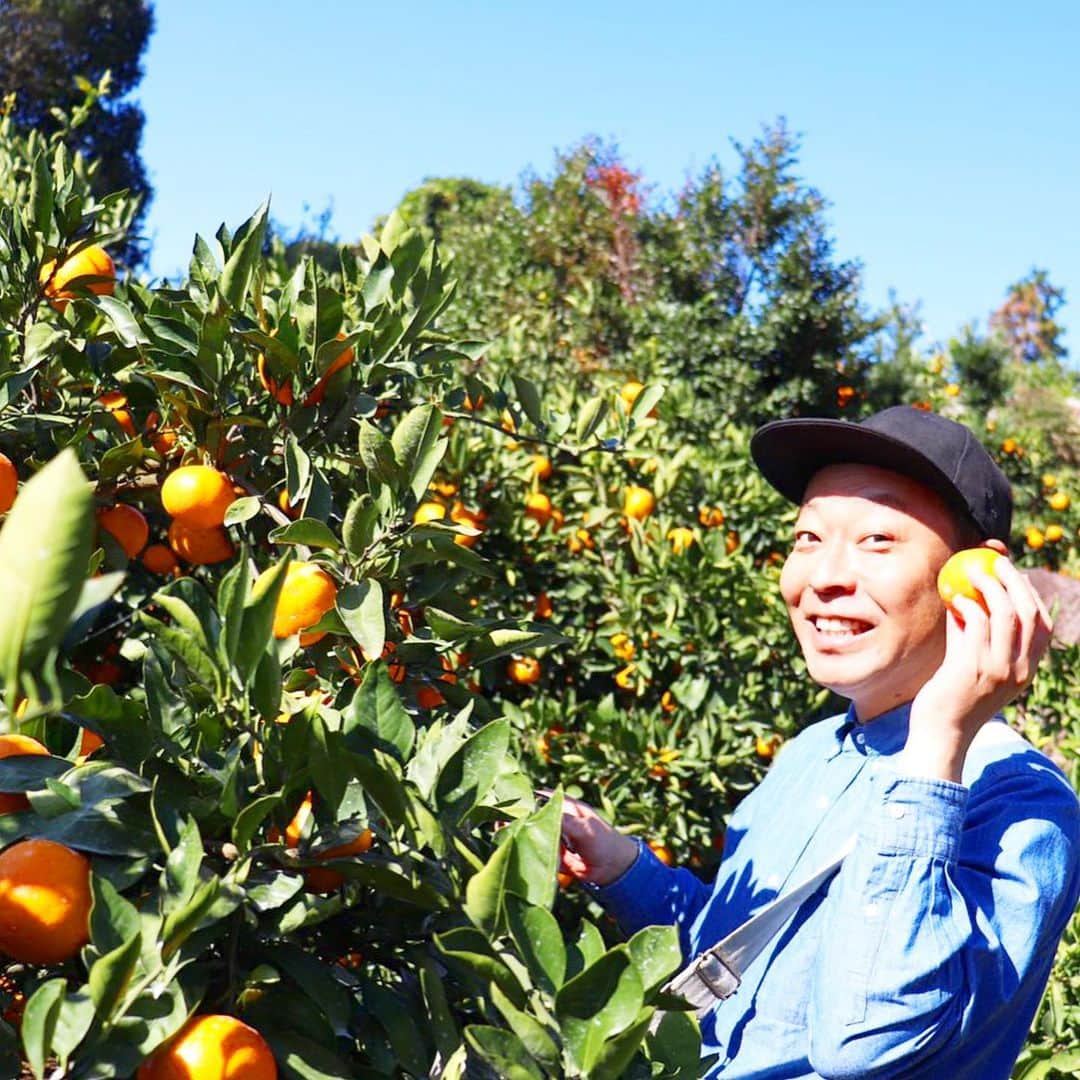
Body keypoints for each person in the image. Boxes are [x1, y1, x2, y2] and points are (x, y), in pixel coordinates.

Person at [559, 405, 1080, 1079]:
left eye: (877, 541)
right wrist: (626, 868)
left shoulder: (1020, 803)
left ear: (980, 575)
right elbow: (736, 966)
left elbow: (868, 1043)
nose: (822, 577)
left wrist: (938, 742)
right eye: (808, 538)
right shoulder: (813, 751)